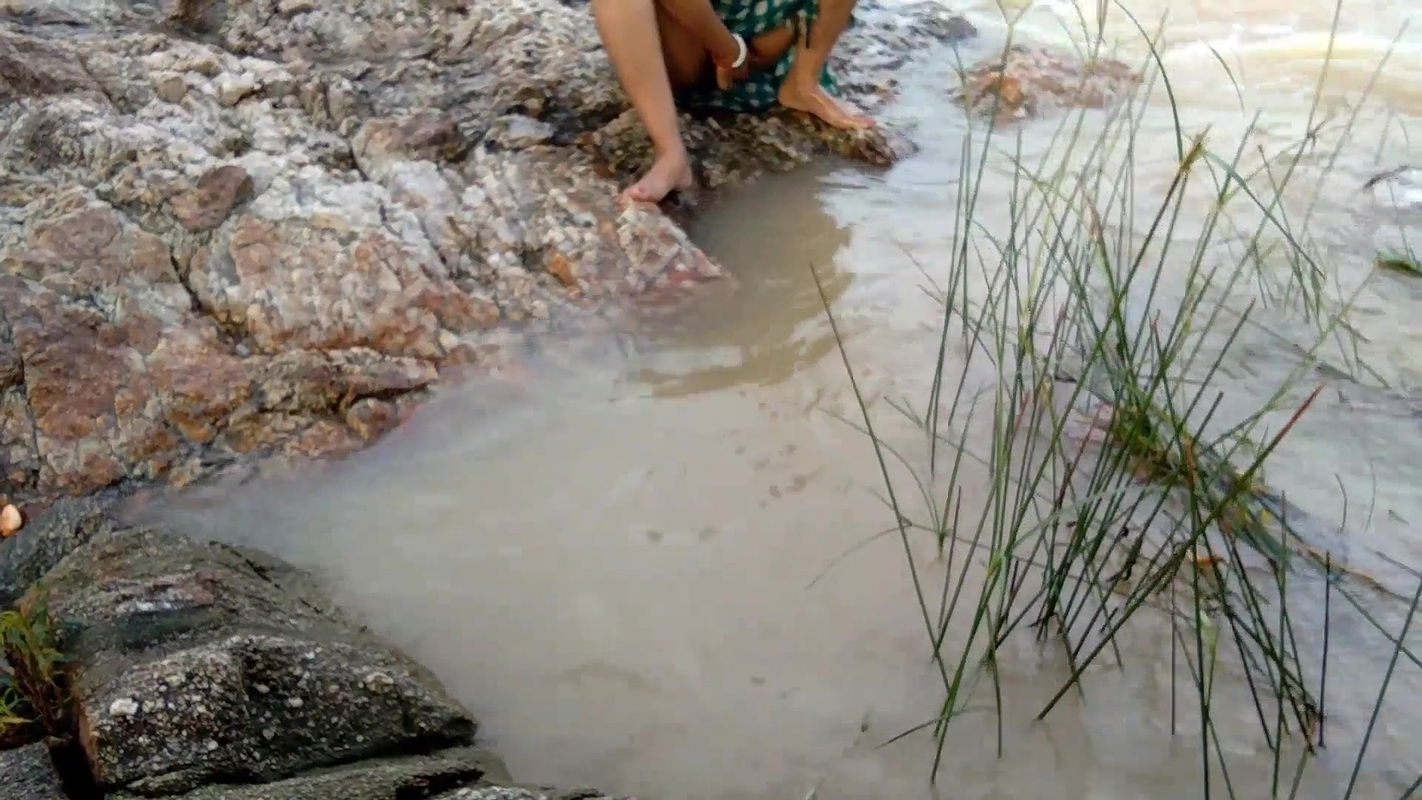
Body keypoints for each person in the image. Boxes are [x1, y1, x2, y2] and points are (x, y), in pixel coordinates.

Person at [592, 0, 872, 203]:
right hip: (694, 38)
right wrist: (727, 49)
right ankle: (671, 154)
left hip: (769, 38)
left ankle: (803, 81)